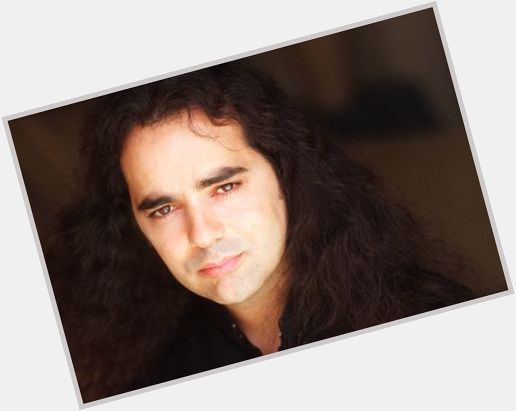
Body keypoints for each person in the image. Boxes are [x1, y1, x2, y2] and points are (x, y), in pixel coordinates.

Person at [48, 63, 474, 402]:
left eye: (224, 187)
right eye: (164, 209)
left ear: (286, 176)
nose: (202, 234)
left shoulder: (431, 325)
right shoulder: (147, 375)